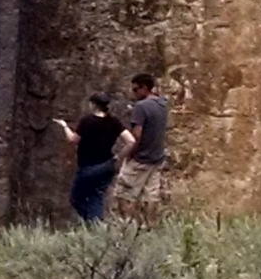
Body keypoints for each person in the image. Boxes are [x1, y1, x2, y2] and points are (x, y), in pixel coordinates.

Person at [111, 69, 173, 223]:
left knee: (122, 193)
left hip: (141, 158)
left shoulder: (141, 107)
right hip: (157, 157)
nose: (133, 93)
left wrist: (127, 155)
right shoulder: (163, 104)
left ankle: (127, 226)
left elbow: (136, 134)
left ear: (145, 88)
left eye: (135, 89)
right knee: (151, 195)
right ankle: (150, 225)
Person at [56, 90, 125, 223]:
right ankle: (95, 225)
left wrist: (64, 126)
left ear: (93, 105)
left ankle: (94, 223)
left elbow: (73, 140)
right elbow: (131, 141)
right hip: (107, 165)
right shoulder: (114, 121)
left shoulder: (87, 121)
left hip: (89, 167)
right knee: (96, 196)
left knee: (76, 198)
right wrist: (118, 158)